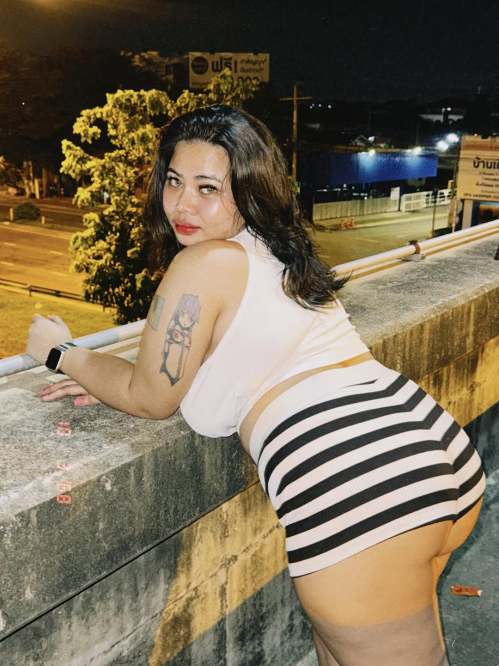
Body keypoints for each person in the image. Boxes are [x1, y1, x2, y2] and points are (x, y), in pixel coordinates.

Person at [27, 105, 485, 666]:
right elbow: (175, 370)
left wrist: (60, 353)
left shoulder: (204, 263)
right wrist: (109, 379)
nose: (182, 204)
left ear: (248, 189)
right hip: (428, 447)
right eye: (174, 181)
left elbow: (151, 396)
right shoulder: (275, 253)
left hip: (358, 486)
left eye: (207, 187)